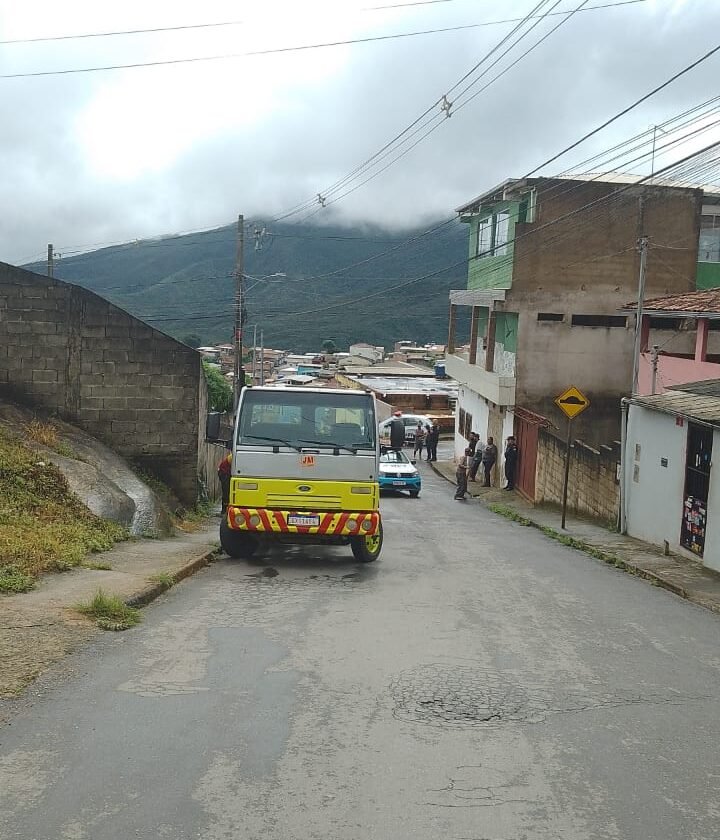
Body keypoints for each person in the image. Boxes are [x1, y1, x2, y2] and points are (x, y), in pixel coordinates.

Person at [218, 443, 233, 514]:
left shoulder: (232, 457)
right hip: (224, 473)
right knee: (226, 492)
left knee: (228, 492)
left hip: (227, 473)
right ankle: (224, 511)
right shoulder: (233, 457)